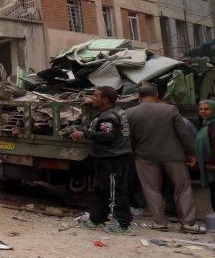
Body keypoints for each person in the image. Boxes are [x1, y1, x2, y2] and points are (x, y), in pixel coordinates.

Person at [127, 84, 205, 233]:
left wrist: (134, 152)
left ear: (139, 97)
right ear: (156, 95)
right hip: (173, 155)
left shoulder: (130, 112)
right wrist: (191, 153)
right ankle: (188, 223)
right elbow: (183, 134)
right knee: (182, 188)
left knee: (151, 189)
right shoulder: (170, 110)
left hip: (144, 155)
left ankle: (159, 222)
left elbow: (128, 137)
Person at [69, 86, 133, 234]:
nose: (93, 97)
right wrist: (91, 102)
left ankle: (123, 224)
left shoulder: (108, 117)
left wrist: (83, 134)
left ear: (105, 100)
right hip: (107, 158)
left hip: (112, 159)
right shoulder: (115, 110)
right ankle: (97, 219)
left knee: (115, 192)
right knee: (101, 190)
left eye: (96, 96)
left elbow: (107, 136)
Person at [196, 100, 215, 212]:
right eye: (201, 109)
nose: (203, 111)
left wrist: (212, 163)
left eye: (207, 109)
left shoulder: (213, 125)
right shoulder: (207, 124)